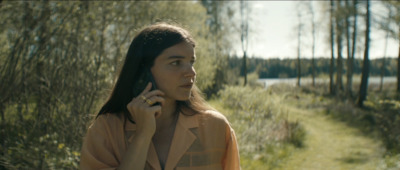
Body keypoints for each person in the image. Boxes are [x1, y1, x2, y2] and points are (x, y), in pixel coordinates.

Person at [80, 22, 240, 170]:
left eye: (191, 62)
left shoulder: (216, 127)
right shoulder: (106, 130)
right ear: (143, 72)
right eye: (176, 63)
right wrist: (142, 135)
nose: (191, 73)